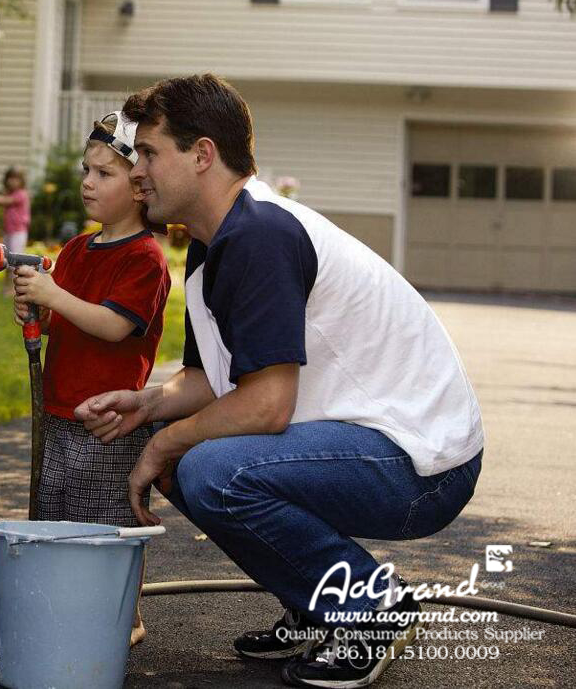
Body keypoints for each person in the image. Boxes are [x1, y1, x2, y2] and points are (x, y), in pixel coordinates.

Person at [74, 75, 484, 689]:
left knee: (211, 469)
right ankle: (316, 602)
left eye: (152, 154)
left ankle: (372, 610)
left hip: (423, 465)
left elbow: (266, 406)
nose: (138, 173)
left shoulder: (262, 234)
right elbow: (213, 382)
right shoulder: (215, 248)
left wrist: (164, 441)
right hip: (363, 443)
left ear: (203, 155)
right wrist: (148, 404)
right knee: (187, 455)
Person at [12, 111, 171, 648]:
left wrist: (54, 296)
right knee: (58, 512)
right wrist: (40, 311)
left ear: (140, 186)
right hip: (60, 415)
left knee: (107, 521)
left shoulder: (144, 259)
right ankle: (70, 607)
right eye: (86, 169)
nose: (87, 181)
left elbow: (114, 325)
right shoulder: (80, 250)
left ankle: (124, 618)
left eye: (104, 173)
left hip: (110, 422)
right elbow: (68, 318)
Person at [0, 165, 31, 295]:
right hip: (9, 232)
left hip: (18, 233)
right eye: (10, 178)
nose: (12, 181)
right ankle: (6, 288)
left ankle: (15, 289)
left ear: (22, 181)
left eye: (16, 179)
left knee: (14, 263)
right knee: (6, 260)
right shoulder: (10, 193)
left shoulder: (21, 194)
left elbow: (3, 201)